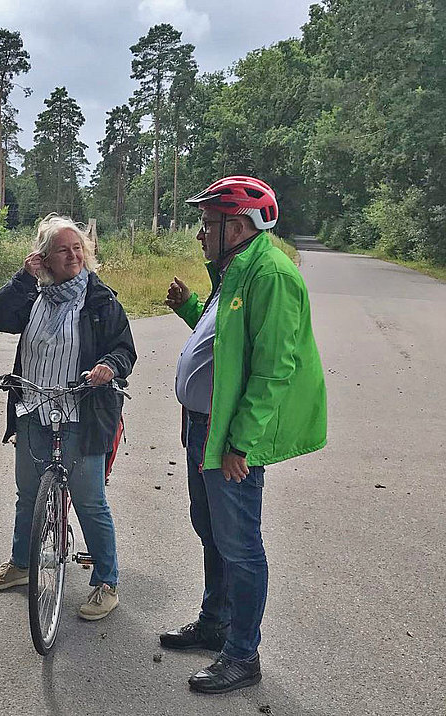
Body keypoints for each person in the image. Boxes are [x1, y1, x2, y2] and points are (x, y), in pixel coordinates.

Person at [160, 176, 327, 693]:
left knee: (240, 545)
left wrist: (242, 445)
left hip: (230, 436)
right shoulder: (234, 269)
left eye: (208, 223)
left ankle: (242, 654)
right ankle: (216, 621)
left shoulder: (271, 274)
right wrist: (190, 308)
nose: (199, 233)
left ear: (240, 226)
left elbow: (274, 368)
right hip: (202, 426)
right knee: (209, 529)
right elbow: (225, 344)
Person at [0, 213, 137, 621]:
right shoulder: (32, 296)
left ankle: (106, 581)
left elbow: (125, 351)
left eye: (77, 248)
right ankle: (22, 564)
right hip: (33, 407)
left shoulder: (101, 302)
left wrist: (108, 366)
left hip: (81, 413)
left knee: (89, 500)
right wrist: (22, 277)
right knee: (28, 496)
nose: (72, 255)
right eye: (62, 250)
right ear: (44, 258)